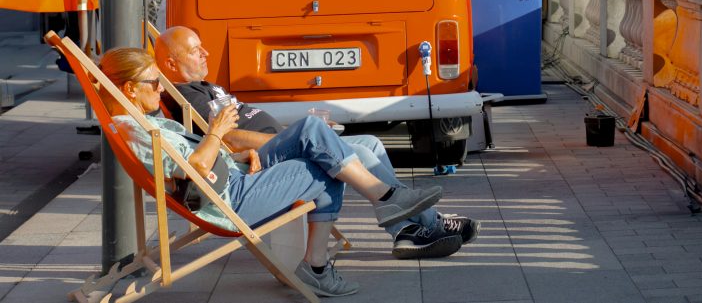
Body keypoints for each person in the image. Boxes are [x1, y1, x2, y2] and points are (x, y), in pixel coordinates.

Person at [99, 48, 447, 297]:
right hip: (229, 199)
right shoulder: (135, 129)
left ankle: (380, 206)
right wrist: (217, 131)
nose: (161, 89)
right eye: (154, 82)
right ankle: (353, 231)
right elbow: (195, 170)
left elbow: (198, 162)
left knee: (312, 129)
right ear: (130, 88)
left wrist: (241, 153)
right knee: (324, 164)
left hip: (233, 173)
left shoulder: (141, 123)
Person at [155, 26, 479, 260]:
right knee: (359, 152)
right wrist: (293, 139)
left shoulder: (202, 85)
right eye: (195, 49)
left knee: (370, 142)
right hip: (263, 164)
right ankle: (426, 221)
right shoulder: (187, 95)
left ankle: (406, 233)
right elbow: (227, 137)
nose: (205, 52)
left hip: (277, 146)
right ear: (170, 63)